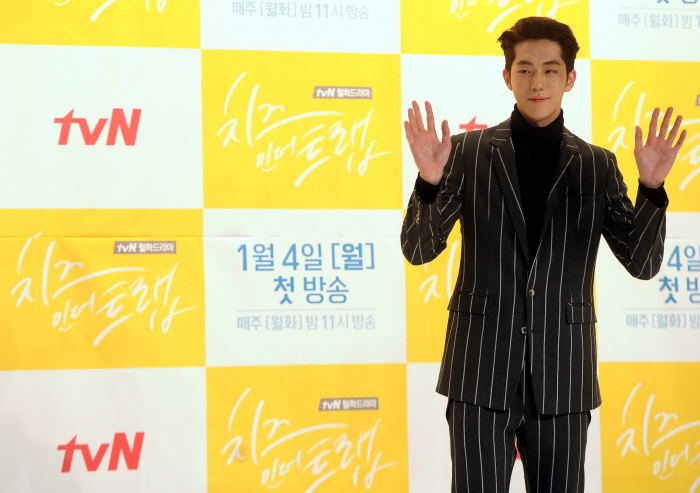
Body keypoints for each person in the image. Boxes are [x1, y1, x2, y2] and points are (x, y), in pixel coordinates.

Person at [401, 16, 686, 493]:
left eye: (551, 70)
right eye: (525, 69)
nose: (537, 83)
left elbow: (642, 263)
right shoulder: (467, 153)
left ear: (569, 78)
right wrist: (430, 182)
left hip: (563, 373)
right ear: (507, 76)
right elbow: (418, 249)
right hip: (480, 370)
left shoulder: (596, 165)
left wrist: (652, 189)